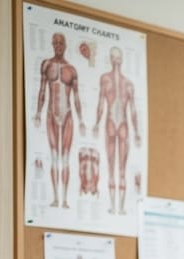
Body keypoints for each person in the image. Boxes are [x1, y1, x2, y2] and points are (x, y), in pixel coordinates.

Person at [34, 32, 86, 209]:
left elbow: (77, 97)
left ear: (65, 45)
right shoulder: (46, 65)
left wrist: (81, 120)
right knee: (54, 157)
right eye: (55, 43)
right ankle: (56, 198)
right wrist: (38, 113)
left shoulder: (71, 70)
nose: (57, 46)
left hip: (68, 115)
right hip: (51, 113)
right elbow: (42, 91)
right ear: (51, 44)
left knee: (65, 158)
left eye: (60, 43)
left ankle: (64, 200)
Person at [93, 46, 142, 215]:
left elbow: (133, 110)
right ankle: (115, 207)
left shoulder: (127, 83)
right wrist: (97, 123)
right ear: (111, 59)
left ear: (120, 60)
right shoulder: (106, 80)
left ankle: (119, 207)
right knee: (112, 168)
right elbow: (101, 103)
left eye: (117, 58)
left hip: (120, 125)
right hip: (113, 124)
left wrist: (136, 132)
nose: (115, 61)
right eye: (114, 57)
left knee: (120, 169)